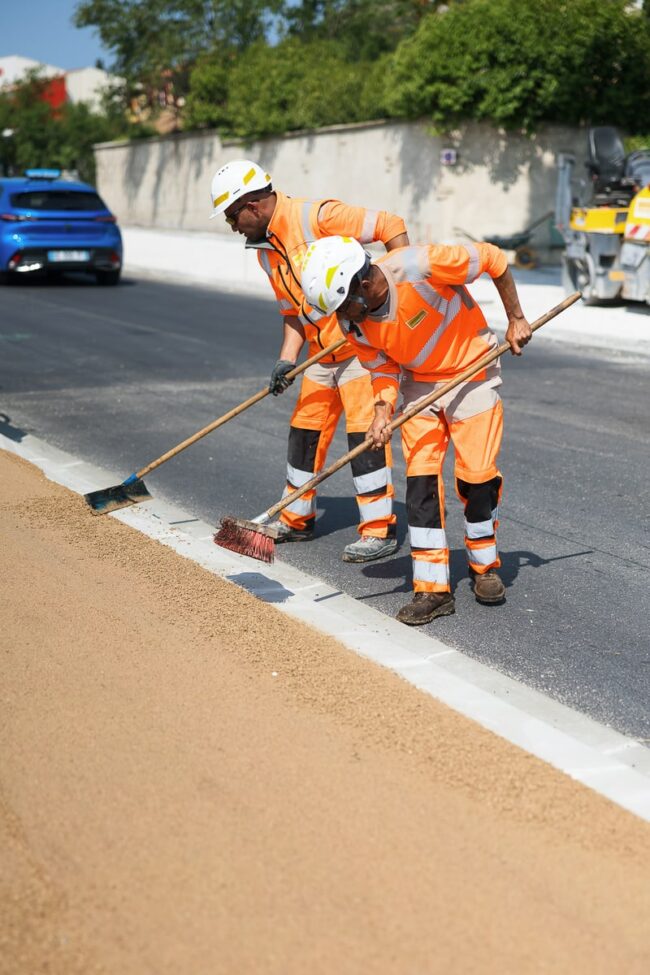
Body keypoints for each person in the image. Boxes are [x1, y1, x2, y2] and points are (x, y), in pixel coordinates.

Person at [300, 235, 532, 625]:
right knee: (421, 484)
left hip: (472, 370)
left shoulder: (422, 265)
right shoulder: (352, 325)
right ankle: (432, 589)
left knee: (477, 477)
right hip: (418, 387)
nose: (342, 318)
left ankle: (484, 565)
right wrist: (382, 411)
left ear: (365, 282)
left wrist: (516, 317)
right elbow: (383, 368)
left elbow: (494, 259)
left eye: (345, 307)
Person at [208, 160, 410, 563]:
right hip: (320, 355)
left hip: (358, 350)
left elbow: (391, 224)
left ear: (250, 204)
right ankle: (295, 519)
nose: (232, 226)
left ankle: (377, 530)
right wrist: (285, 361)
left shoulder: (317, 216)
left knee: (363, 438)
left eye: (232, 217)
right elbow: (292, 315)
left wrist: (399, 292)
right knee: (304, 433)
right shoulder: (265, 252)